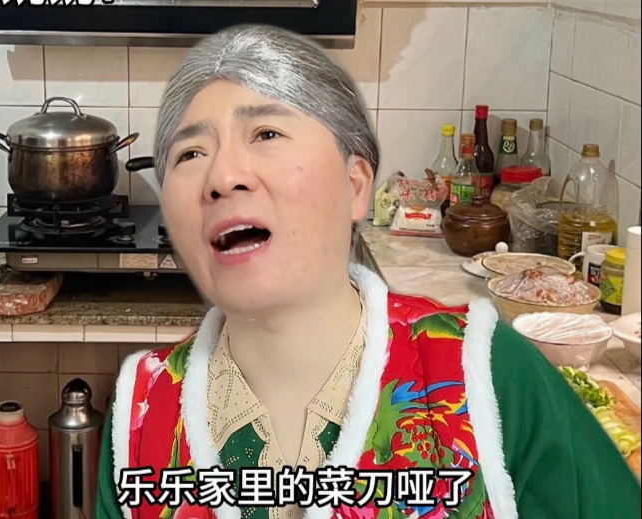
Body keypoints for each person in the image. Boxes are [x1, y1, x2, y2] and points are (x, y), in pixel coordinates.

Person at [95, 24, 641, 519]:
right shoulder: (139, 417)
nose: (222, 176)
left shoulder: (487, 374)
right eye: (190, 154)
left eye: (266, 134)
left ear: (356, 185)